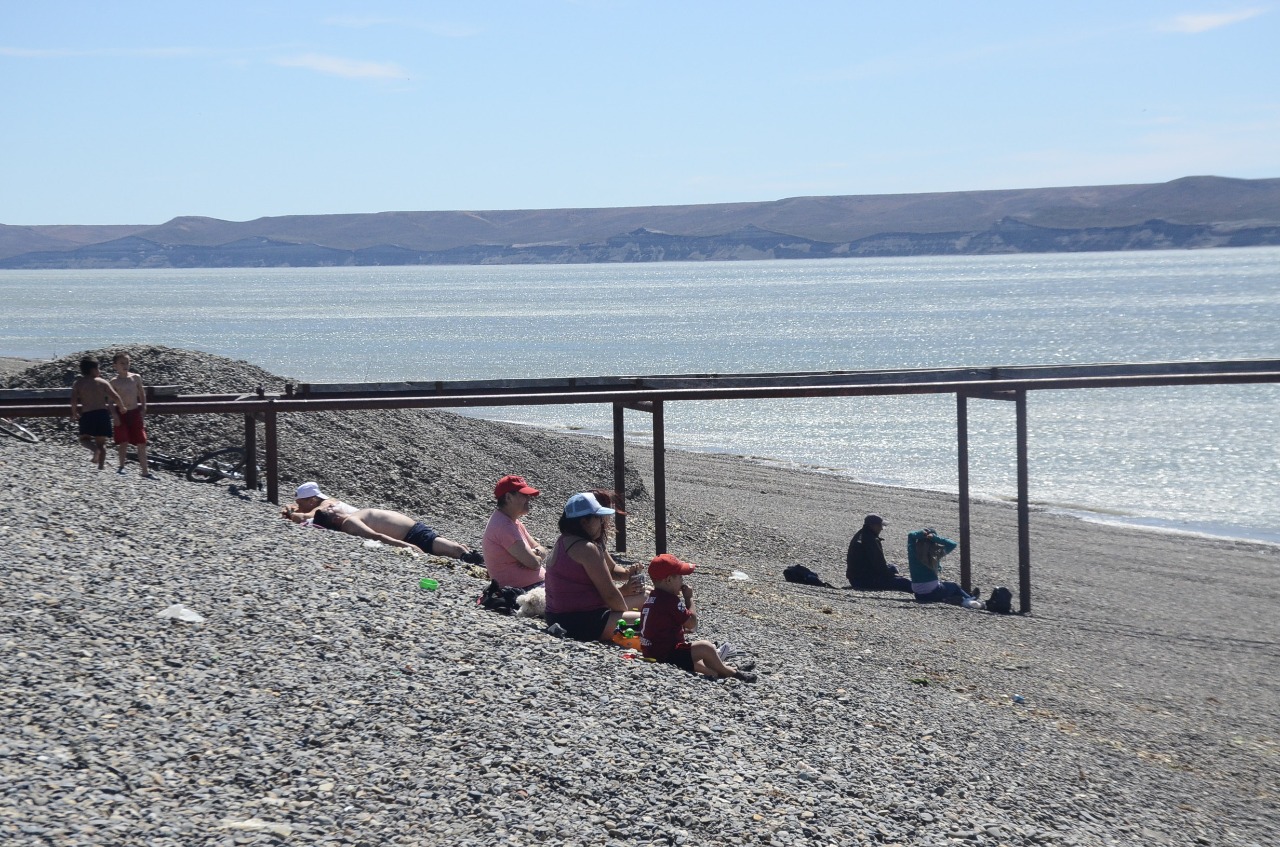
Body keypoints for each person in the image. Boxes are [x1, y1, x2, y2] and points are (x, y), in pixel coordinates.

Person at [544, 492, 647, 642]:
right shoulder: (587, 548)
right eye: (598, 518)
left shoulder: (563, 541)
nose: (602, 523)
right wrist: (623, 616)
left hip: (559, 617)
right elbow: (611, 596)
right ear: (584, 521)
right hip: (581, 623)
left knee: (648, 602)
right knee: (654, 622)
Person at [640, 553, 756, 682]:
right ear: (668, 580)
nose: (682, 580)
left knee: (705, 666)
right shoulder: (669, 600)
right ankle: (732, 673)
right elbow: (692, 624)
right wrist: (689, 598)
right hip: (667, 655)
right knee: (706, 647)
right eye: (680, 576)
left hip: (651, 651)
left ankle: (724, 670)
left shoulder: (653, 597)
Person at [310, 502, 478, 560]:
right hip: (413, 537)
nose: (335, 507)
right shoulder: (350, 522)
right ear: (334, 519)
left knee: (455, 547)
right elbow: (376, 536)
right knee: (456, 550)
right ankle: (481, 563)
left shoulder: (349, 516)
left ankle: (474, 557)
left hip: (416, 531)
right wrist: (407, 547)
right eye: (332, 510)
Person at [482, 474, 550, 589]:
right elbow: (534, 563)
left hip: (531, 586)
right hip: (521, 591)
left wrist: (534, 553)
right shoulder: (503, 526)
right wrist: (535, 556)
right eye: (524, 495)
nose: (529, 498)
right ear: (508, 497)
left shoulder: (513, 522)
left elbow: (542, 549)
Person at [69, 356, 125, 470]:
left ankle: (95, 450)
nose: (100, 371)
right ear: (93, 370)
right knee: (102, 443)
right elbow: (115, 396)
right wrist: (122, 407)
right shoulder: (102, 382)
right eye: (98, 368)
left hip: (88, 414)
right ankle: (101, 467)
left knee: (84, 439)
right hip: (102, 415)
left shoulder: (79, 383)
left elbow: (74, 400)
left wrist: (74, 413)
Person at [906, 527, 983, 609]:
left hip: (918, 594)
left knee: (944, 589)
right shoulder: (935, 554)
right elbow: (952, 544)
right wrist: (935, 538)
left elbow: (910, 535)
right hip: (933, 590)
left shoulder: (913, 552)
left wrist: (921, 534)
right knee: (954, 586)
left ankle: (952, 599)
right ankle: (970, 599)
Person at [109, 352, 153, 477]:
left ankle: (145, 471)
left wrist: (144, 407)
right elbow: (110, 402)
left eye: (127, 363)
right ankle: (121, 467)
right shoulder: (114, 382)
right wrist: (115, 415)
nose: (125, 365)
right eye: (122, 363)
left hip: (134, 412)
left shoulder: (136, 377)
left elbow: (142, 394)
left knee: (142, 441)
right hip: (121, 413)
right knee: (123, 441)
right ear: (115, 366)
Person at [846, 514, 912, 592]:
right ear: (872, 526)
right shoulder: (871, 540)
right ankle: (922, 591)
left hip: (856, 577)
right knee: (905, 582)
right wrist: (891, 576)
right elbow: (879, 564)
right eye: (879, 526)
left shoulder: (861, 534)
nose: (881, 528)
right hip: (864, 580)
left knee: (892, 567)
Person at [281, 481, 356, 524]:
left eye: (300, 504)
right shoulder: (323, 502)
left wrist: (291, 513)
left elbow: (305, 517)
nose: (299, 506)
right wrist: (293, 510)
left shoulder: (326, 505)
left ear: (312, 501)